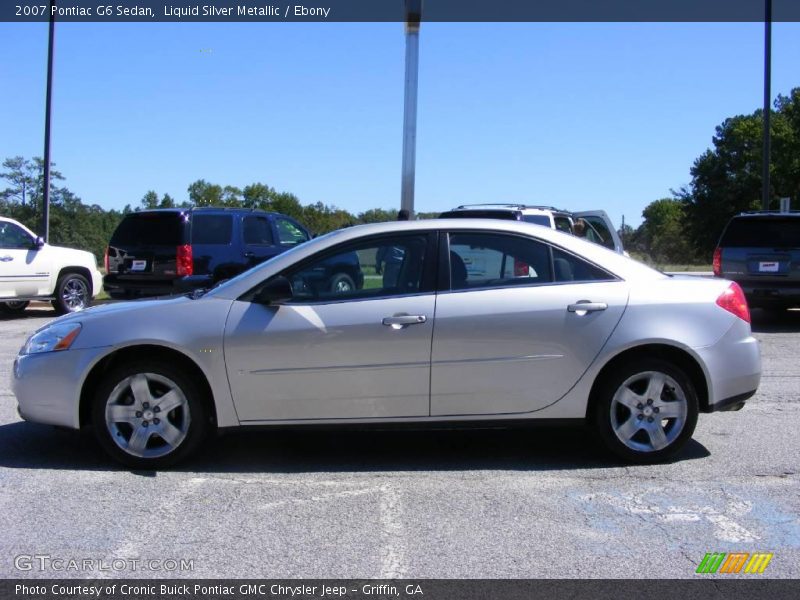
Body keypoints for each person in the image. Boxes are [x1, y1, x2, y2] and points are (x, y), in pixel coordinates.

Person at [375, 210, 410, 287]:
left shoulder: (392, 230)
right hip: (406, 264)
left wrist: (378, 263)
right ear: (407, 218)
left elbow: (383, 248)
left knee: (389, 290)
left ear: (398, 217)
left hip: (392, 265)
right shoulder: (410, 231)